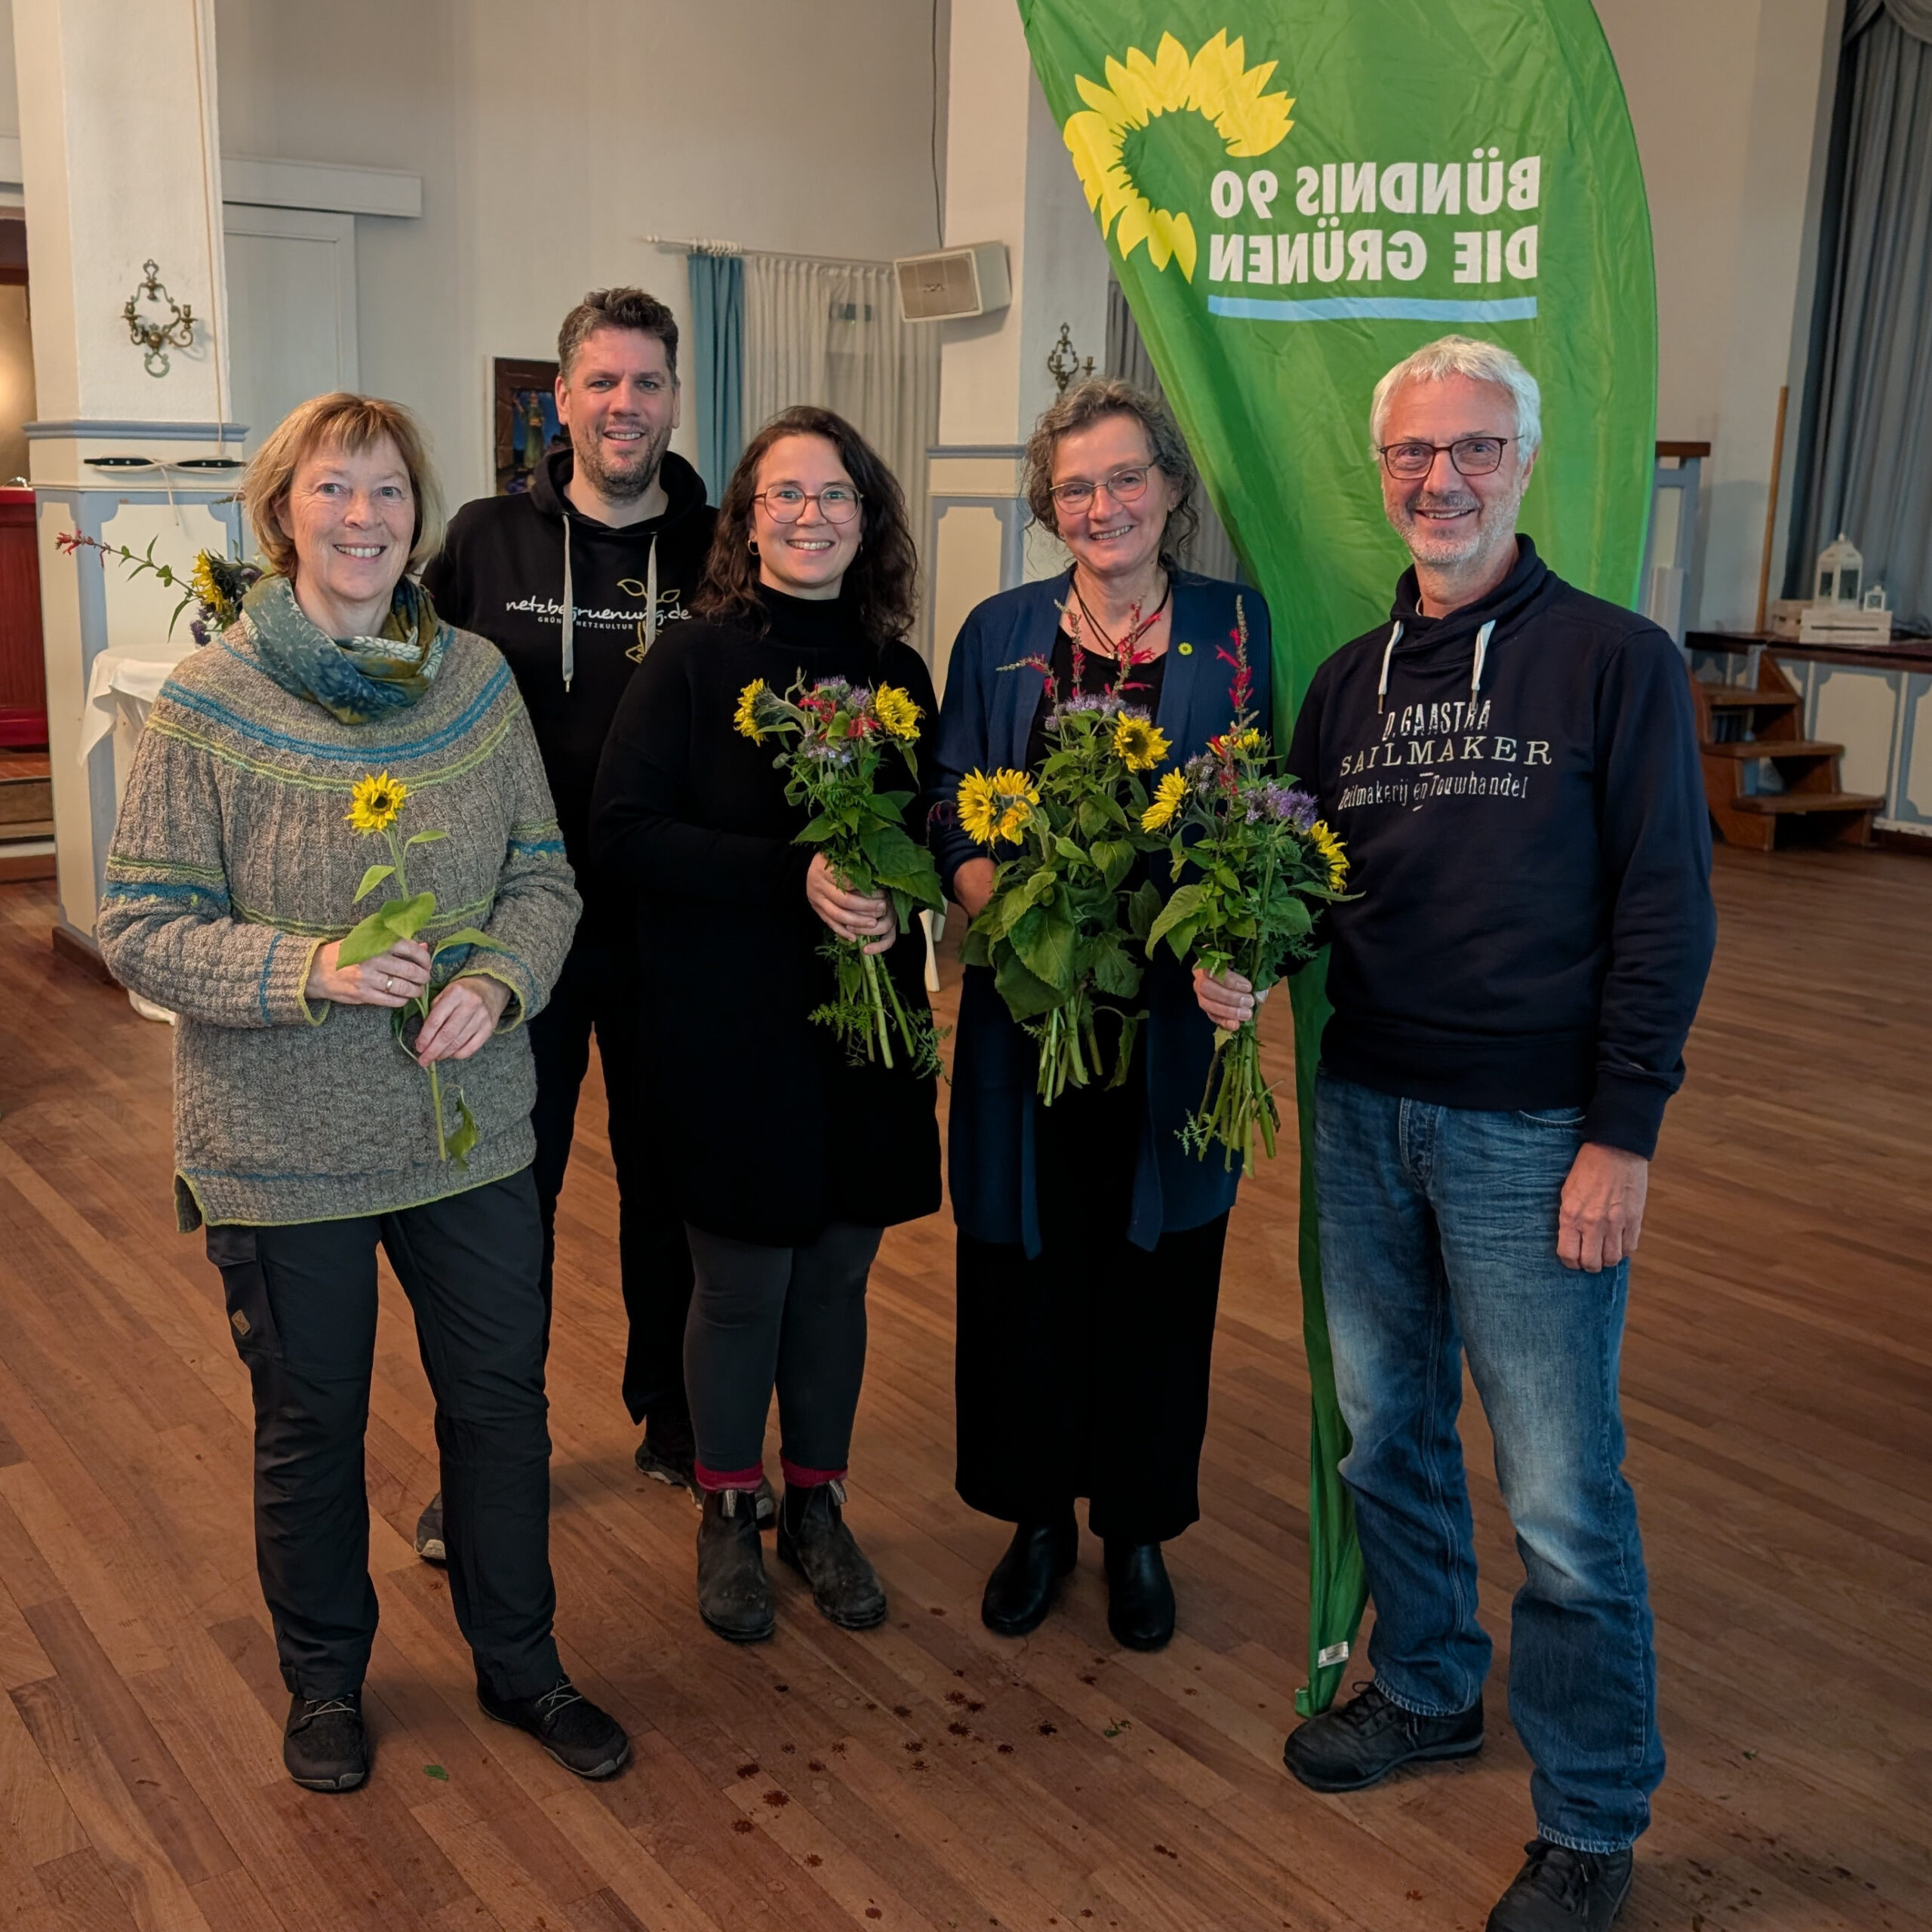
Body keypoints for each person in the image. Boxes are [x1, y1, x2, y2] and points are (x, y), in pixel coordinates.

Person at [97, 392, 629, 1792]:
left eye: (390, 491)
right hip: (284, 1146)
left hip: (465, 1130)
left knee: (500, 1406)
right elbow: (144, 927)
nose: (364, 518)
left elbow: (545, 876)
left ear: (417, 516)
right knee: (315, 1420)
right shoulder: (212, 703)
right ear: (283, 514)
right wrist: (314, 967)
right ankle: (326, 1682)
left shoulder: (474, 685)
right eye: (335, 490)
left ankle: (524, 1665)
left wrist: (501, 981)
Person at [1278, 337, 1715, 1932]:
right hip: (1363, 1107)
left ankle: (1590, 1812)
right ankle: (1427, 1680)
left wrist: (1622, 1130)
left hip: (1532, 1130)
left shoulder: (1616, 662)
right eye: (1410, 454)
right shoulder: (1343, 681)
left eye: (1471, 449)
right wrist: (1223, 953)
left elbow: (1664, 909)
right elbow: (1302, 893)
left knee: (1556, 1492)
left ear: (1522, 465)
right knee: (1382, 1431)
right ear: (1379, 471)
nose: (1438, 480)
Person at [929, 380, 1271, 1653]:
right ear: (1047, 504)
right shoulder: (1002, 630)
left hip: (1171, 1019)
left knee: (1158, 1268)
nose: (1104, 505)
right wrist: (1011, 915)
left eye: (1126, 478)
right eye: (1076, 486)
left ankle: (1136, 1530)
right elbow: (957, 793)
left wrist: (1235, 944)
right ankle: (1033, 1522)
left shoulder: (1232, 628)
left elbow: (1257, 799)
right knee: (1027, 1261)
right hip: (1030, 1014)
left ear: (1170, 488)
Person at [591, 406, 941, 1643]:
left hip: (862, 1026)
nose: (810, 516)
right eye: (783, 496)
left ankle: (818, 1504)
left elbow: (925, 842)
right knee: (740, 1286)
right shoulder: (690, 661)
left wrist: (898, 899)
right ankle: (727, 1512)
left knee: (839, 1280)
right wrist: (788, 873)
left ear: (868, 516)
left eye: (834, 494)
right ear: (746, 522)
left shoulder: (896, 676)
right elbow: (622, 833)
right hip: (730, 1029)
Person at [419, 288, 724, 1552]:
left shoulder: (722, 543)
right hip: (516, 931)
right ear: (563, 395)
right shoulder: (486, 539)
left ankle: (669, 1411)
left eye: (647, 383)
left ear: (673, 397)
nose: (624, 406)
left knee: (669, 1183)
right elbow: (418, 701)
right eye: (601, 382)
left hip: (676, 925)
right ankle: (497, 1456)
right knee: (510, 1193)